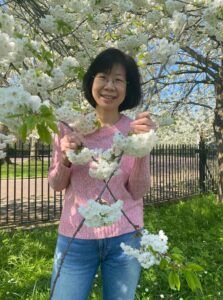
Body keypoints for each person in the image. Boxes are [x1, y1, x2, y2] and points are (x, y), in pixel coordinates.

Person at [48, 48, 156, 300]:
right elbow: (55, 183)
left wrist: (141, 147)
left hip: (125, 237)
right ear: (91, 82)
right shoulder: (69, 128)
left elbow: (138, 191)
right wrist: (65, 157)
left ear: (128, 88)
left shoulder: (135, 129)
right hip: (75, 237)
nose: (110, 86)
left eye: (118, 79)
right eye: (103, 77)